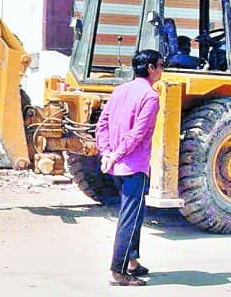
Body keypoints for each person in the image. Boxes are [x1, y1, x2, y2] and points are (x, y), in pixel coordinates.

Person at [95, 49, 164, 287]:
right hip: (134, 166)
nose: (162, 70)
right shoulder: (151, 97)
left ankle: (132, 261)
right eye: (160, 66)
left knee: (135, 213)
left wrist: (106, 154)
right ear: (151, 69)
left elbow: (101, 125)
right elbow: (138, 134)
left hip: (116, 166)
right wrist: (114, 154)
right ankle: (119, 270)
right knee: (130, 218)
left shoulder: (119, 90)